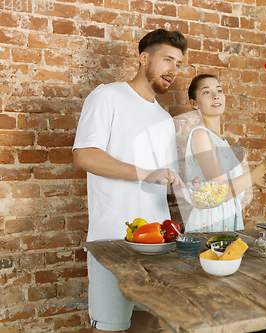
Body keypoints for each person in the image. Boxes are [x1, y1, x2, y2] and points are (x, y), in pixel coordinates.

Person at [72, 29, 187, 333]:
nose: (174, 70)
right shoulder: (107, 96)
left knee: (146, 326)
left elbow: (166, 180)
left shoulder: (164, 119)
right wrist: (145, 173)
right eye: (168, 60)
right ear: (143, 58)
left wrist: (188, 189)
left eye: (178, 64)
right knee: (109, 328)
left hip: (159, 244)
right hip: (113, 243)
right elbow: (84, 156)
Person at [182, 74, 266, 233]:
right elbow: (220, 190)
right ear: (194, 103)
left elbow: (227, 182)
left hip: (228, 218)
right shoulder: (200, 135)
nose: (216, 95)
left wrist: (255, 179)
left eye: (219, 90)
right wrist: (264, 166)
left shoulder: (221, 140)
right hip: (209, 223)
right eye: (206, 92)